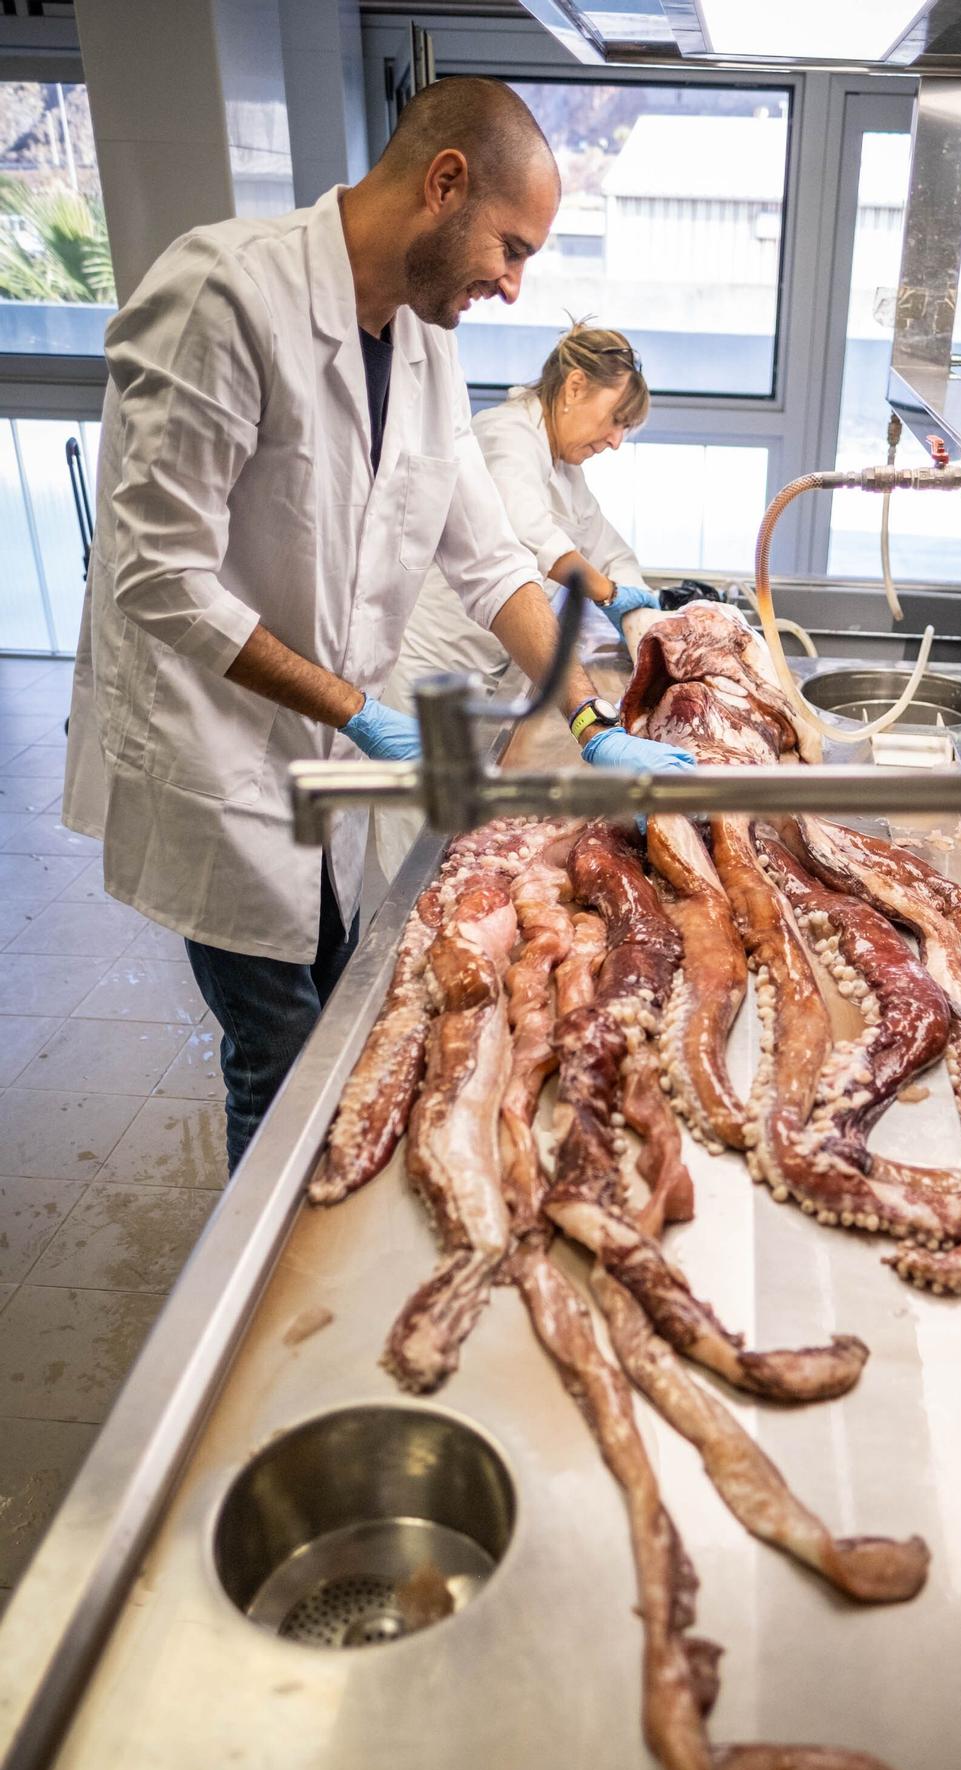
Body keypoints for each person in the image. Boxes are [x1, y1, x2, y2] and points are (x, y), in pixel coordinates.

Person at [62, 76, 692, 1174]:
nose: (512, 283)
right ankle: (262, 1307)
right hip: (218, 758)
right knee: (282, 1053)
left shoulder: (422, 343)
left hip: (328, 765)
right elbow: (158, 576)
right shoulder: (222, 295)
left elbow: (490, 558)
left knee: (352, 1015)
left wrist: (592, 722)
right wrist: (358, 712)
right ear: (444, 182)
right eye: (510, 245)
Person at [374, 320, 660, 879]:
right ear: (574, 386)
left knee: (464, 850)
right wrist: (605, 591)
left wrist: (646, 615)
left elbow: (607, 548)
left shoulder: (565, 470)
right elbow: (526, 532)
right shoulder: (506, 435)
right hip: (430, 676)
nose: (615, 440)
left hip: (487, 674)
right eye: (614, 420)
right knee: (415, 862)